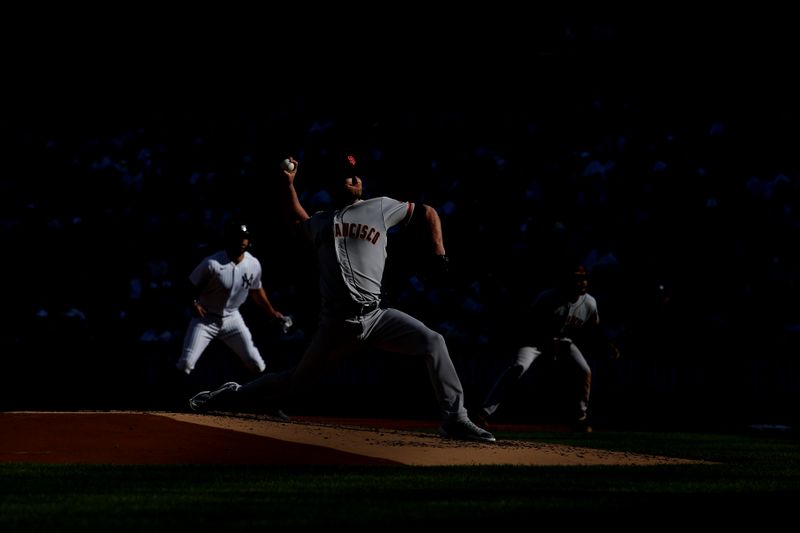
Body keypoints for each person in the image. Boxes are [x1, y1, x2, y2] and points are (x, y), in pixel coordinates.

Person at [188, 154, 495, 443]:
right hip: (336, 325)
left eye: (356, 174)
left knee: (434, 341)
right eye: (346, 175)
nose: (353, 179)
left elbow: (427, 212)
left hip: (376, 316)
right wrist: (288, 185)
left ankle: (455, 417)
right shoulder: (322, 221)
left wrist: (439, 252)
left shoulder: (380, 207)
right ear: (335, 183)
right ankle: (229, 396)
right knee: (295, 384)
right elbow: (297, 223)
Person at [475, 265, 617, 432]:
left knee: (584, 370)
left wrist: (607, 344)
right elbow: (528, 324)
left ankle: (580, 417)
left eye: (584, 278)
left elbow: (594, 329)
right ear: (567, 281)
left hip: (563, 342)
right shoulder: (548, 297)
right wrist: (548, 343)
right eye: (578, 279)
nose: (582, 282)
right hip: (534, 342)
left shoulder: (590, 303)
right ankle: (483, 413)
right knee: (518, 367)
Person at [175, 219, 286, 378]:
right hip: (206, 319)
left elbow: (256, 290)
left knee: (257, 364)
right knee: (185, 363)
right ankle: (174, 400)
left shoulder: (253, 263)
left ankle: (257, 399)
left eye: (245, 237)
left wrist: (271, 311)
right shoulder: (211, 263)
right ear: (228, 239)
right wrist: (193, 304)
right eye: (238, 237)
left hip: (232, 318)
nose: (242, 241)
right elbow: (188, 286)